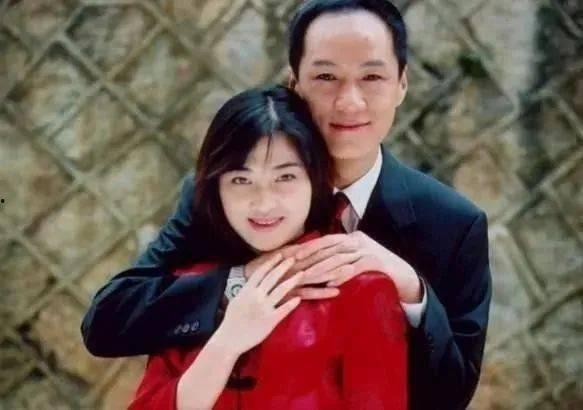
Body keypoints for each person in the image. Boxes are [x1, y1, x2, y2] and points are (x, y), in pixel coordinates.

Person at [82, 1, 491, 409]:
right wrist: (241, 283)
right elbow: (106, 324)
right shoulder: (225, 195)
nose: (349, 102)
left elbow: (451, 397)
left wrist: (411, 288)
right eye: (326, 76)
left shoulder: (451, 223)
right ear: (294, 84)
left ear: (402, 83)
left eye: (372, 77)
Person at [128, 85, 407, 409]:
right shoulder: (190, 288)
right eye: (241, 180)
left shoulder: (361, 290)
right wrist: (226, 342)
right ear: (215, 187)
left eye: (285, 178)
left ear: (317, 179)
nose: (263, 203)